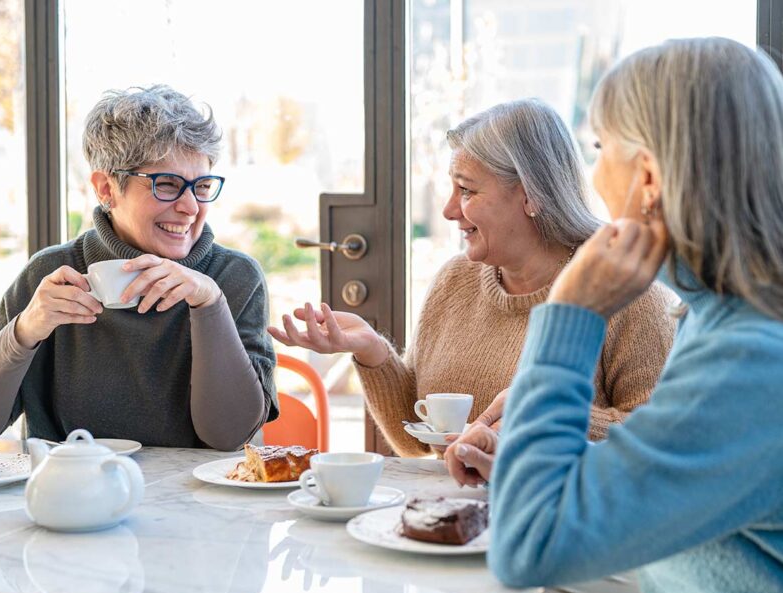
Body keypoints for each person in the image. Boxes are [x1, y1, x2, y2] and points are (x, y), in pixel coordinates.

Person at [447, 38, 783, 593]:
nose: (592, 172)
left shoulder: (748, 360)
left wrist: (571, 315)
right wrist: (540, 462)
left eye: (601, 147)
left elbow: (528, 548)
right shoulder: (719, 316)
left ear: (648, 176)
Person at [269, 99, 675, 457]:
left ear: (531, 194)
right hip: (449, 521)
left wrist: (539, 416)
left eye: (466, 190)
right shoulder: (456, 280)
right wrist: (372, 351)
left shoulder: (629, 295)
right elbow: (417, 441)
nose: (448, 210)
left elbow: (660, 442)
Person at [0, 84, 278, 451]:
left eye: (201, 186)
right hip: (69, 500)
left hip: (195, 504)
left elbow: (229, 436)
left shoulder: (234, 278)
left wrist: (210, 306)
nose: (191, 207)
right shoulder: (51, 274)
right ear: (106, 188)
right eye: (167, 184)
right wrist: (25, 332)